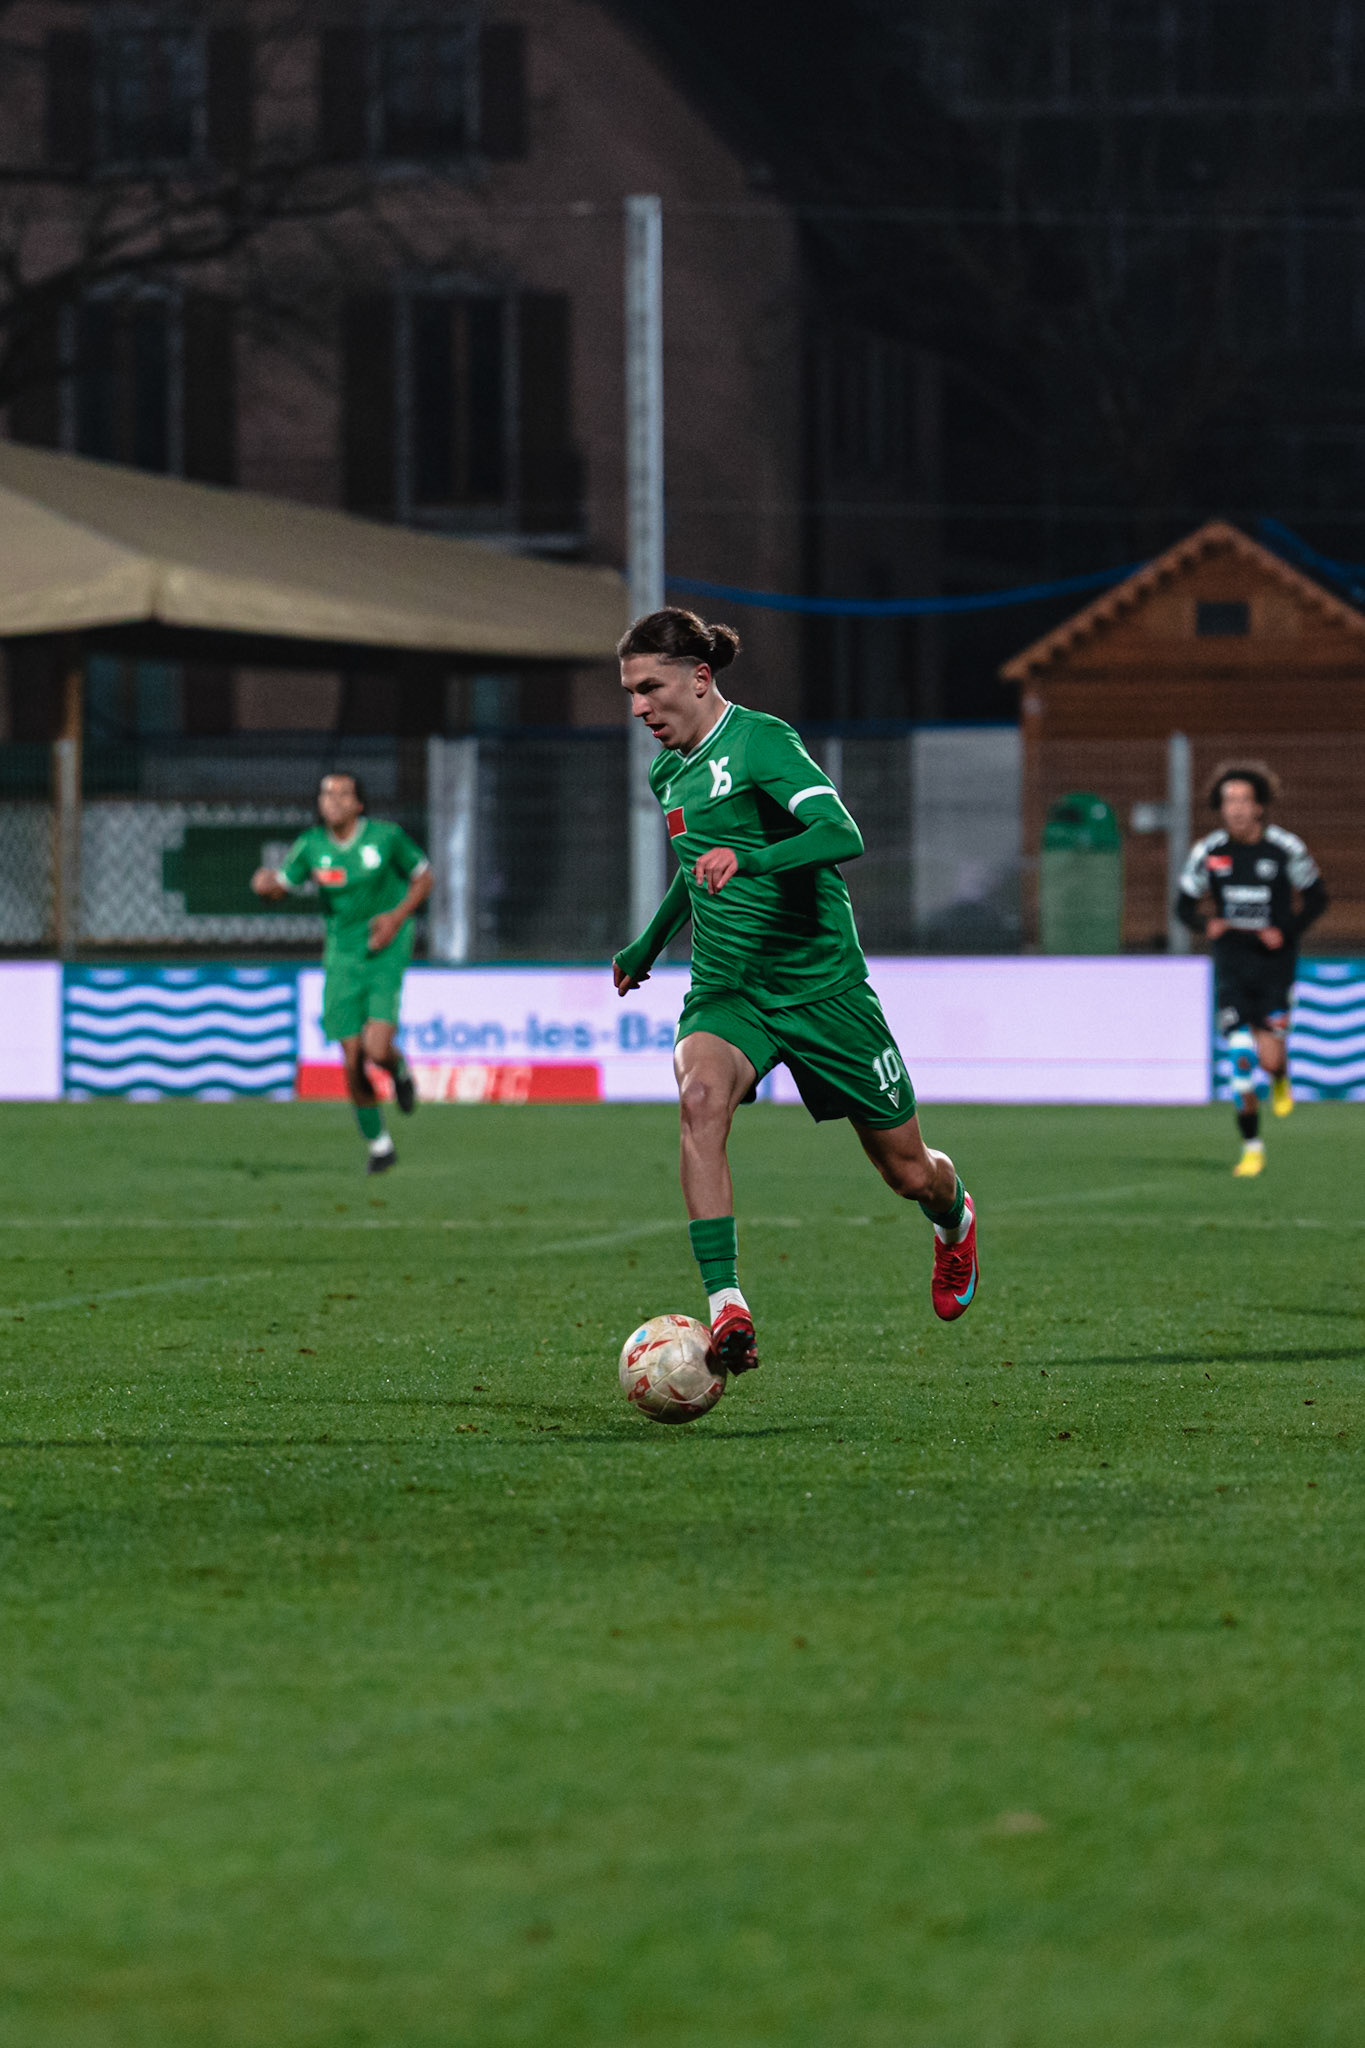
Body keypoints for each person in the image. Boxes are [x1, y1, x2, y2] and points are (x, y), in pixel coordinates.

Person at [612, 607, 977, 1375]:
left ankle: (954, 1221)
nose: (640, 707)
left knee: (907, 1172)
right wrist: (647, 944)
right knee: (699, 1101)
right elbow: (693, 864)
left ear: (699, 678)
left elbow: (842, 834)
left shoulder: (762, 743)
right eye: (630, 693)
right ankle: (727, 1308)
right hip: (728, 987)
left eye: (650, 688)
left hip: (822, 989)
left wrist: (752, 862)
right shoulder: (666, 771)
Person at [252, 772, 432, 1173]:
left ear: (358, 804)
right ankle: (381, 1146)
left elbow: (425, 877)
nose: (332, 800)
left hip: (385, 952)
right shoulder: (311, 847)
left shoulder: (387, 838)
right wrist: (267, 886)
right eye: (326, 793)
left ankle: (397, 1069)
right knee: (352, 1060)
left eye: (342, 794)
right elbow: (282, 887)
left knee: (376, 1049)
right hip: (342, 959)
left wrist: (396, 917)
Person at [1175, 761, 1328, 1177]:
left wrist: (1286, 930)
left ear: (1259, 805)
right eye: (1228, 801)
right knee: (1240, 1057)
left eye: (1244, 800)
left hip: (1275, 969)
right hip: (1233, 967)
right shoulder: (1210, 853)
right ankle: (1252, 1148)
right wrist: (1208, 924)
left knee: (1269, 1057)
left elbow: (1317, 898)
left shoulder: (1285, 849)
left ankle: (1280, 1075)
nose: (1236, 808)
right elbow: (1183, 905)